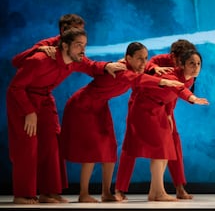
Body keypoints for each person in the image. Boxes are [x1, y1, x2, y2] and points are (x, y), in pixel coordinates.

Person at [6, 27, 126, 204]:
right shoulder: (40, 60)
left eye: (84, 45)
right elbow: (15, 87)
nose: (83, 50)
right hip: (22, 100)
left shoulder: (74, 60)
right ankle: (23, 194)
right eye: (78, 45)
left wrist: (107, 65)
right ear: (64, 45)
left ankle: (49, 192)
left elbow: (92, 66)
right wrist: (28, 111)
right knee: (28, 146)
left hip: (44, 100)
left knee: (52, 143)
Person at [60, 42, 184, 203]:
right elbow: (137, 78)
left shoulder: (136, 67)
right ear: (128, 58)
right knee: (91, 150)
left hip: (100, 106)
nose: (143, 62)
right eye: (139, 59)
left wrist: (154, 68)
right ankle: (84, 193)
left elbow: (145, 69)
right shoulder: (121, 69)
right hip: (83, 105)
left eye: (145, 58)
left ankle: (106, 193)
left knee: (109, 148)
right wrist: (163, 82)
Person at [114, 49, 209, 202]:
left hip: (161, 109)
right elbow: (177, 87)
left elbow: (175, 93)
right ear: (180, 62)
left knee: (167, 148)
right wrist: (191, 97)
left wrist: (170, 113)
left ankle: (160, 190)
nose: (196, 67)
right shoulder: (169, 70)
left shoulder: (189, 78)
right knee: (149, 148)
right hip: (145, 107)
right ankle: (143, 191)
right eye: (192, 63)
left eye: (198, 63)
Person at [144, 39, 197, 199]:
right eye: (183, 60)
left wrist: (169, 113)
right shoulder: (162, 61)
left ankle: (178, 187)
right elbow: (146, 67)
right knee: (134, 147)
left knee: (173, 143)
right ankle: (120, 188)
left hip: (166, 106)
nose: (184, 64)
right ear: (173, 56)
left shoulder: (188, 74)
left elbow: (176, 93)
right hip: (149, 103)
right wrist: (155, 69)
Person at [11, 13, 85, 68]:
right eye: (76, 30)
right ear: (63, 30)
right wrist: (39, 49)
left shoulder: (78, 49)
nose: (80, 34)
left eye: (81, 31)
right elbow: (16, 61)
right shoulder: (49, 43)